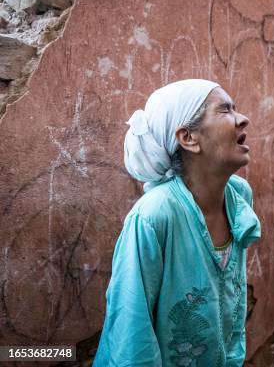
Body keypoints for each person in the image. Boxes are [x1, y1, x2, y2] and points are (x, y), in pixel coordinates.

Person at [93, 79, 261, 366]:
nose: (242, 118)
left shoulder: (238, 196)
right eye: (225, 110)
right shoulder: (154, 216)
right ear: (188, 138)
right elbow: (131, 333)